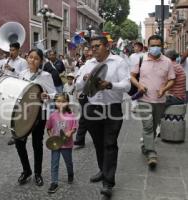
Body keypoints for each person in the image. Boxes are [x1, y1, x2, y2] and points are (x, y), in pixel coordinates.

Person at [75, 36, 131, 199]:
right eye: (91, 47)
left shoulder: (118, 62)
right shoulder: (88, 64)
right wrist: (84, 79)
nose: (93, 50)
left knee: (110, 144)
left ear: (107, 46)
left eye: (97, 46)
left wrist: (110, 85)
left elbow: (127, 85)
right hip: (92, 108)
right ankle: (102, 170)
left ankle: (108, 182)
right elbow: (77, 83)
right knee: (99, 144)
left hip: (112, 109)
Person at [131, 35, 175, 170]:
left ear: (161, 46)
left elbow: (172, 80)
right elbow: (132, 76)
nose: (155, 48)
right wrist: (139, 86)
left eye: (158, 45)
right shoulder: (141, 59)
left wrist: (164, 88)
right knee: (148, 126)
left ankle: (146, 145)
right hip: (144, 99)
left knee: (154, 126)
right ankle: (151, 153)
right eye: (152, 45)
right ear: (148, 46)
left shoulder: (167, 62)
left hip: (160, 100)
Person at [14, 48, 56, 187]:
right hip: (24, 112)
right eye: (30, 57)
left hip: (40, 112)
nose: (32, 60)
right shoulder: (21, 74)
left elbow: (54, 95)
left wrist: (46, 96)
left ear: (41, 61)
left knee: (37, 144)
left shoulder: (46, 75)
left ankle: (38, 173)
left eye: (36, 58)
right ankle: (26, 170)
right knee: (19, 141)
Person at [46, 93, 77, 193]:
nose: (61, 104)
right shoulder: (52, 116)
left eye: (63, 101)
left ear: (67, 103)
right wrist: (51, 137)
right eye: (58, 101)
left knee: (68, 162)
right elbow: (48, 128)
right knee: (54, 163)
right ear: (55, 102)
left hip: (66, 144)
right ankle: (54, 182)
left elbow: (74, 128)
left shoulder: (71, 115)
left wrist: (70, 133)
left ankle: (70, 173)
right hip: (55, 145)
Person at [0, 42, 28, 145]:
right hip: (9, 88)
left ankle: (19, 134)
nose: (11, 52)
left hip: (18, 89)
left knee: (17, 113)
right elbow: (5, 73)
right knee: (10, 112)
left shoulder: (23, 62)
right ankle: (14, 133)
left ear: (18, 50)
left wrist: (12, 69)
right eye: (10, 50)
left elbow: (24, 76)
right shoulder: (7, 61)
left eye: (13, 50)